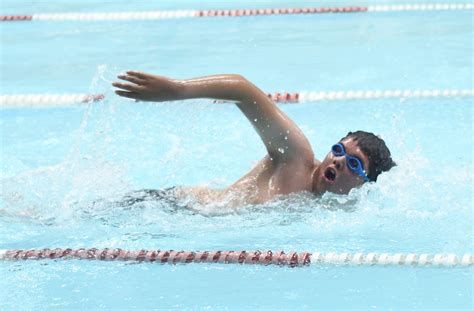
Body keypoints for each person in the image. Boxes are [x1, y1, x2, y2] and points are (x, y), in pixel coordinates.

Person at [112, 71, 395, 207]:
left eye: (355, 164)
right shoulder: (295, 158)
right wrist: (177, 89)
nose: (338, 161)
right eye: (338, 150)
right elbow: (242, 89)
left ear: (365, 184)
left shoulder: (341, 213)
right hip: (169, 206)